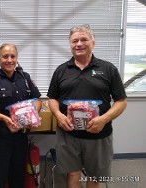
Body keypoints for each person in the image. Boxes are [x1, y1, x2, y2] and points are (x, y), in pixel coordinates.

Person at [47, 24, 127, 188]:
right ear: (70, 45)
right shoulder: (61, 70)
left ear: (93, 42)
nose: (79, 44)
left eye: (84, 39)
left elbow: (121, 101)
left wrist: (103, 119)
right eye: (74, 40)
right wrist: (58, 115)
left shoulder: (108, 68)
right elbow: (52, 98)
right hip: (68, 134)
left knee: (95, 177)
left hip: (99, 134)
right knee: (71, 174)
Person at [0, 43, 42, 188]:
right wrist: (4, 118)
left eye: (13, 56)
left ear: (17, 58)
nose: (9, 60)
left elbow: (37, 100)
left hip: (20, 137)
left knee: (18, 177)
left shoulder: (25, 78)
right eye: (5, 56)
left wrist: (32, 113)